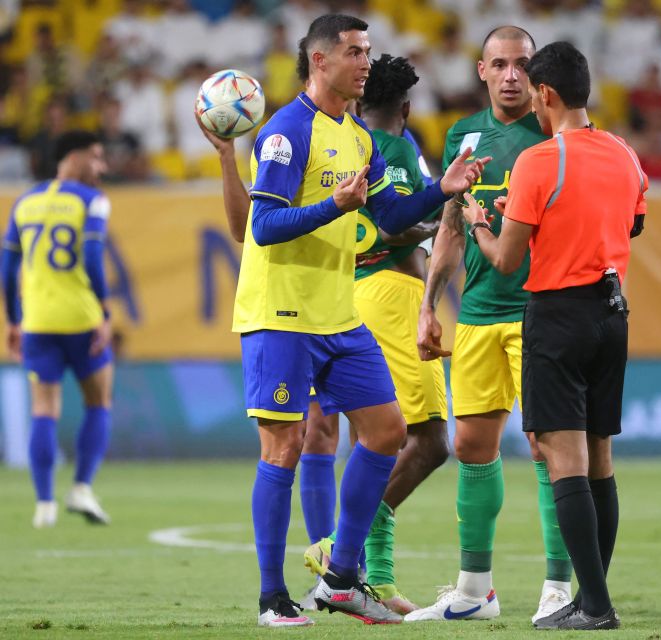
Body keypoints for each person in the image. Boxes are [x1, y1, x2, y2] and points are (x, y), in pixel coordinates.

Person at [230, 13, 486, 627]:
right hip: (281, 311)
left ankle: (342, 578)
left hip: (338, 312)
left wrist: (442, 190)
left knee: (387, 431)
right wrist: (333, 205)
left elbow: (394, 216)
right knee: (285, 444)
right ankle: (272, 598)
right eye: (353, 51)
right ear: (319, 60)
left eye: (368, 51)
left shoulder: (359, 138)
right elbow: (262, 227)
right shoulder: (287, 133)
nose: (366, 61)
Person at [461, 41, 648, 630]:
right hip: (611, 311)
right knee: (599, 459)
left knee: (560, 456)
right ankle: (592, 595)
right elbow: (634, 221)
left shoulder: (541, 160)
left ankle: (593, 605)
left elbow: (508, 261)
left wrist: (478, 224)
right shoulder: (623, 152)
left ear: (545, 94)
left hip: (557, 314)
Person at [408, 26, 573, 625]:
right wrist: (431, 302)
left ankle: (559, 585)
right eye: (499, 64)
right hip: (477, 311)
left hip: (540, 311)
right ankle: (475, 590)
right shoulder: (463, 135)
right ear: (481, 71)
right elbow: (451, 225)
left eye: (521, 64)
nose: (511, 75)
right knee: (471, 445)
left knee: (549, 445)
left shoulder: (557, 132)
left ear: (538, 74)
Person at [1, 131, 115, 529]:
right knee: (99, 401)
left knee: (43, 410)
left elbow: (8, 266)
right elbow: (93, 255)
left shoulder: (25, 201)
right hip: (82, 319)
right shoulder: (92, 201)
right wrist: (102, 310)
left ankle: (44, 505)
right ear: (75, 156)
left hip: (36, 322)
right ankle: (81, 487)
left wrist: (12, 319)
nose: (101, 167)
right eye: (97, 157)